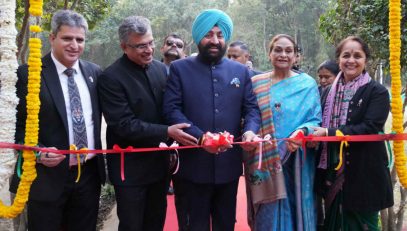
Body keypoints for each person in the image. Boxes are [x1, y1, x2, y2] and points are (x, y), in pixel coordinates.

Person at [163, 9, 261, 231]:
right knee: (193, 225)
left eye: (220, 34)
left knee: (225, 224)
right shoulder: (180, 68)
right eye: (209, 34)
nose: (215, 40)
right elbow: (171, 110)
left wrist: (250, 131)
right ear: (199, 37)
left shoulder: (241, 71)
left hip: (228, 167)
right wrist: (201, 137)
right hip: (191, 166)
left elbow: (252, 109)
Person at [97, 16, 197, 231]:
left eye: (151, 43)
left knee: (155, 222)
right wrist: (167, 132)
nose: (149, 50)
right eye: (141, 46)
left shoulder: (160, 70)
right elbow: (123, 124)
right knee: (133, 225)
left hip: (159, 166)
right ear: (124, 46)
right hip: (130, 170)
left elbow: (170, 109)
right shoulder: (111, 78)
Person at [10, 10, 106, 231]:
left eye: (80, 39)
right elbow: (16, 128)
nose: (74, 45)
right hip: (46, 178)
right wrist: (38, 152)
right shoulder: (28, 74)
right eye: (67, 38)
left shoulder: (95, 73)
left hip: (88, 177)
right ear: (52, 38)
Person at [313, 36, 393, 230]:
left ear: (366, 60)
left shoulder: (377, 92)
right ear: (338, 59)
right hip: (331, 166)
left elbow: (370, 127)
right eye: (345, 55)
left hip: (364, 169)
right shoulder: (328, 91)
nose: (351, 60)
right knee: (335, 221)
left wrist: (329, 132)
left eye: (358, 56)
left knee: (363, 222)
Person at [245, 34, 321, 230]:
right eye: (278, 50)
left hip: (297, 159)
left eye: (289, 51)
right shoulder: (256, 83)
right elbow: (249, 116)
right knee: (268, 209)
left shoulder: (307, 84)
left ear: (296, 57)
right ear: (269, 54)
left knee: (297, 205)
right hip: (265, 159)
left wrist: (302, 131)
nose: (283, 54)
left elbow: (315, 120)